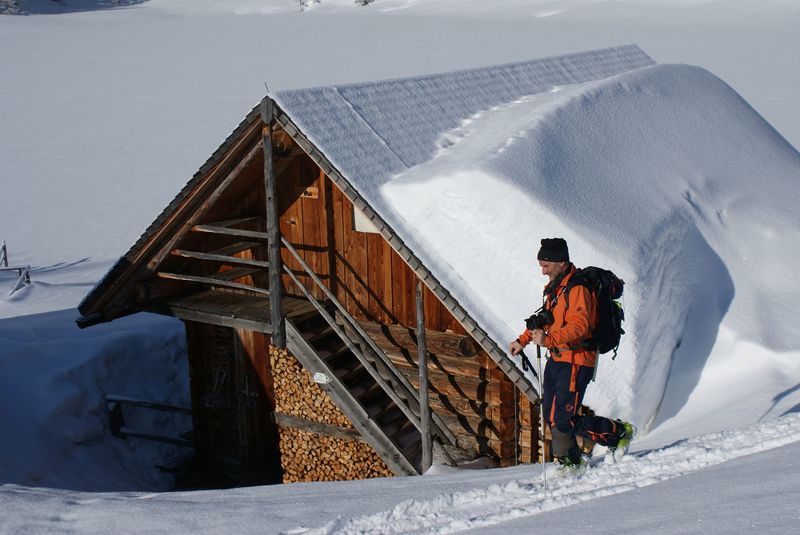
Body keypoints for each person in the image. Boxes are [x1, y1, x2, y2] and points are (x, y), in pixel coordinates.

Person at [509, 237, 633, 469]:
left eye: (546, 265)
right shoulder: (556, 289)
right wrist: (522, 340)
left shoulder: (578, 289)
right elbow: (544, 320)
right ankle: (571, 461)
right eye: (541, 264)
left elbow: (581, 325)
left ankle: (617, 433)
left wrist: (548, 340)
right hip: (557, 359)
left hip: (577, 360)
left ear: (561, 262)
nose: (543, 270)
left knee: (564, 420)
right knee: (551, 416)